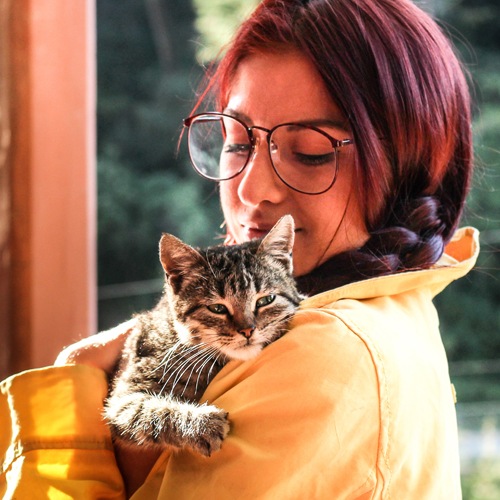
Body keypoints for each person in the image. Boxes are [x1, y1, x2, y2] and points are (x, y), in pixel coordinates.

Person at [1, 0, 479, 498]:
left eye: (311, 152)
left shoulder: (325, 353)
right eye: (237, 142)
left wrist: (68, 403)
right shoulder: (400, 308)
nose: (253, 190)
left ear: (408, 166)